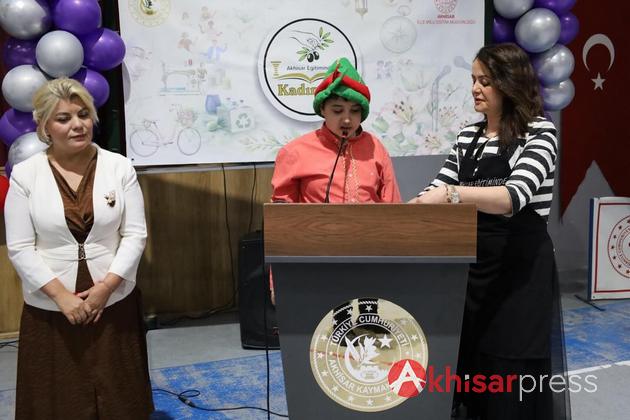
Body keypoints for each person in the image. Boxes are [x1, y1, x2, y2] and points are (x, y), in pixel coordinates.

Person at [409, 43, 568, 419]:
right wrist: (403, 213)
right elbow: (435, 189)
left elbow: (512, 197)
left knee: (508, 375)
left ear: (509, 84)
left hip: (519, 276)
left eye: (485, 81)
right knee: (472, 369)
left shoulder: (540, 133)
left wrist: (452, 194)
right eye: (473, 79)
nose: (475, 89)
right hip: (471, 275)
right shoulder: (468, 136)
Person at [4, 78, 154, 419]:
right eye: (64, 118)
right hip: (51, 304)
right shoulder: (25, 175)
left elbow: (135, 235)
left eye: (83, 115)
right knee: (58, 396)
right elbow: (20, 248)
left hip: (112, 298)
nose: (78, 125)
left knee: (119, 392)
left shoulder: (119, 167)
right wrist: (61, 297)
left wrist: (106, 288)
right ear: (44, 126)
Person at [270, 57, 401, 328]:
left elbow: (393, 211)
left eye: (355, 111)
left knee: (367, 341)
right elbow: (280, 225)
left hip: (369, 265)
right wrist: (277, 279)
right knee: (319, 342)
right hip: (314, 267)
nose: (347, 119)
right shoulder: (295, 152)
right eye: (337, 110)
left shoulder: (376, 149)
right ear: (322, 109)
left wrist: (396, 271)